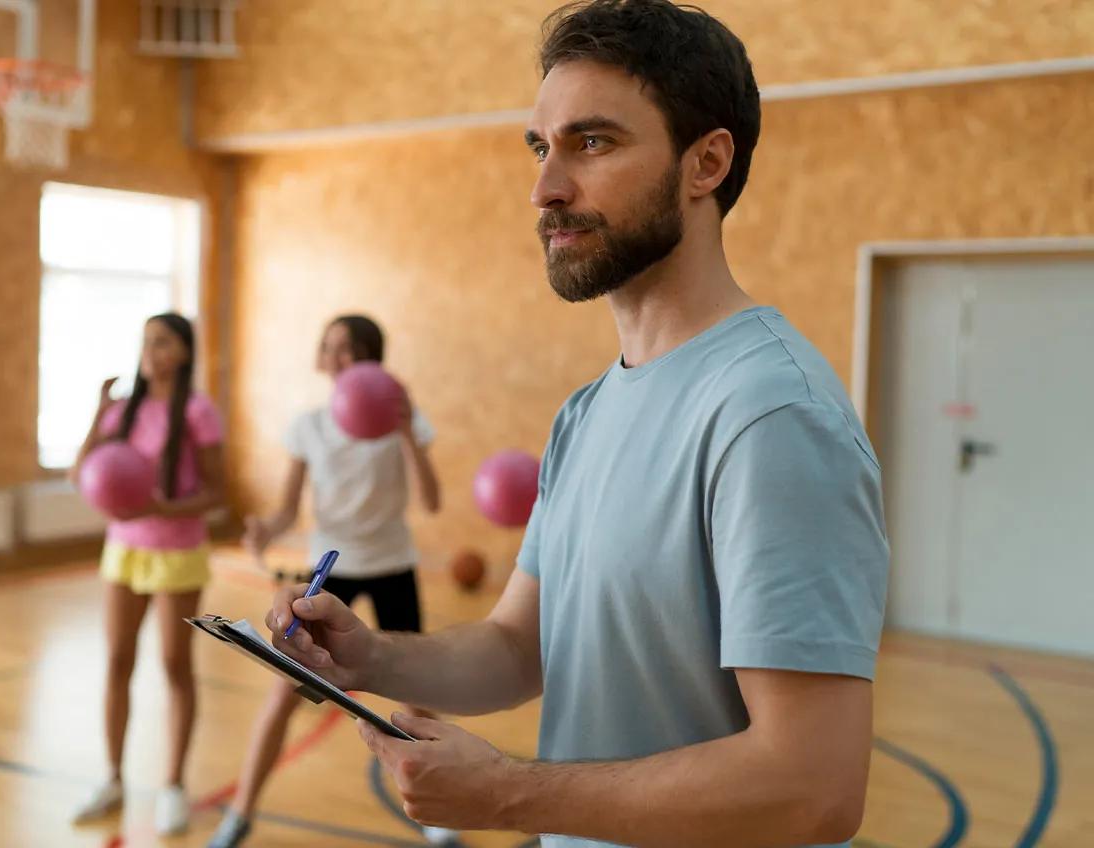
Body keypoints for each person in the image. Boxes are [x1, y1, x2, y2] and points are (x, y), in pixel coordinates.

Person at [262, 2, 889, 846]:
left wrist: (508, 795)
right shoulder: (587, 412)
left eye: (592, 143)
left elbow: (812, 788)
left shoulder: (772, 416)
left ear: (705, 163)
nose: (545, 188)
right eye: (541, 146)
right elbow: (518, 649)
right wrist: (369, 659)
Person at [206, 314, 458, 848]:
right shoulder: (310, 425)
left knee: (415, 700)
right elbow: (286, 511)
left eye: (349, 349)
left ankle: (438, 815)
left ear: (372, 359)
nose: (336, 358)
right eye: (329, 348)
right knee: (284, 694)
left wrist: (408, 430)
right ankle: (241, 812)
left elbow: (433, 501)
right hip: (329, 570)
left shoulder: (404, 425)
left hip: (393, 565)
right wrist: (264, 530)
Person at [71, 313, 226, 837]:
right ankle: (112, 778)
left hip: (177, 553)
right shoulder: (122, 411)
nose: (150, 351)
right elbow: (80, 475)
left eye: (161, 342)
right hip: (124, 550)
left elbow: (215, 493)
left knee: (174, 664)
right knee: (118, 660)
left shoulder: (199, 411)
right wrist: (98, 412)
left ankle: (174, 786)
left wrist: (164, 507)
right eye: (145, 341)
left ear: (183, 352)